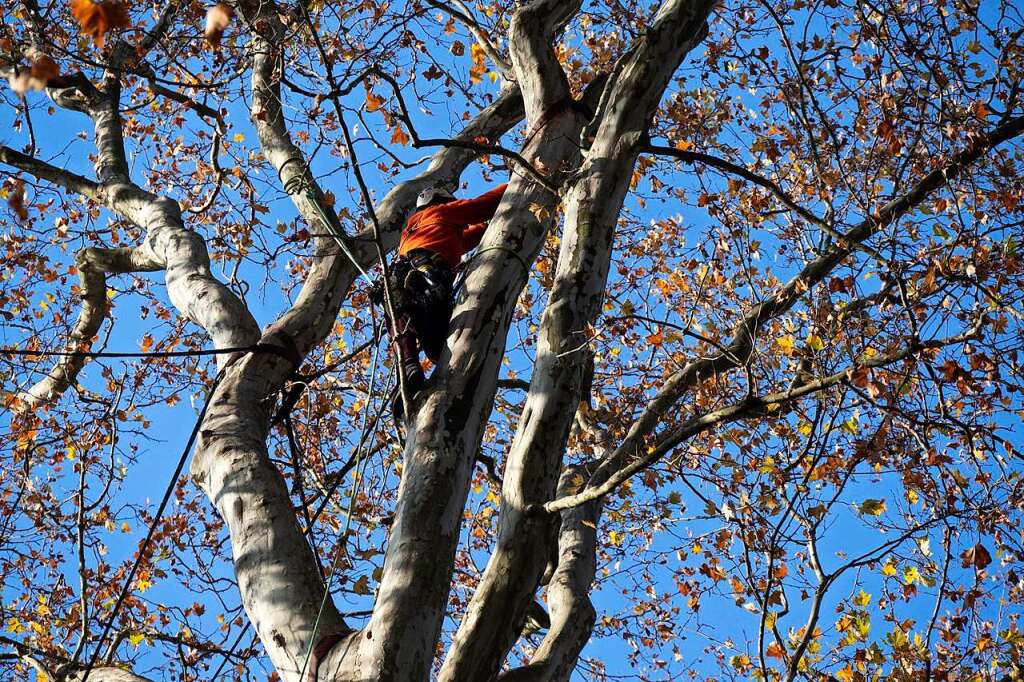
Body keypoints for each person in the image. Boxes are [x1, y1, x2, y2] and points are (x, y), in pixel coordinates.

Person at [376, 181, 508, 417]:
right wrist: (515, 182)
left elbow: (474, 234)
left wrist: (488, 225)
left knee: (419, 331)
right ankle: (409, 370)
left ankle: (408, 368)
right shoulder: (441, 212)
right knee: (431, 334)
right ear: (442, 201)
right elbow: (482, 206)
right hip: (426, 273)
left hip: (405, 276)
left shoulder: (419, 229)